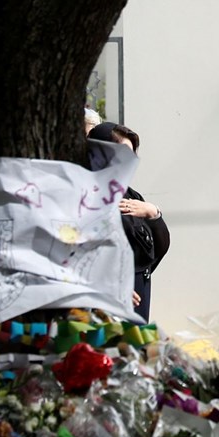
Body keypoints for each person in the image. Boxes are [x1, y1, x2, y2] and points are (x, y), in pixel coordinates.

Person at [87, 122, 169, 323]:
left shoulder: (130, 195)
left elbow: (157, 249)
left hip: (137, 296)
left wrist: (153, 213)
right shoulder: (86, 196)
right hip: (101, 304)